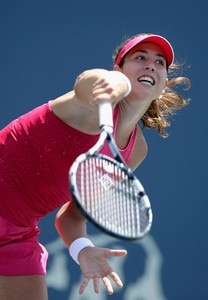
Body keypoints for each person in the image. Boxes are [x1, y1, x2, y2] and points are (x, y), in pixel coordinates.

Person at [0, 33, 190, 299]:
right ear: (118, 70)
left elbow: (73, 216)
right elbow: (87, 83)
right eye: (140, 58)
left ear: (163, 85)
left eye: (159, 63)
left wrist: (82, 248)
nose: (150, 65)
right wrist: (111, 83)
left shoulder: (135, 151)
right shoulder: (90, 106)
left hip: (17, 235)